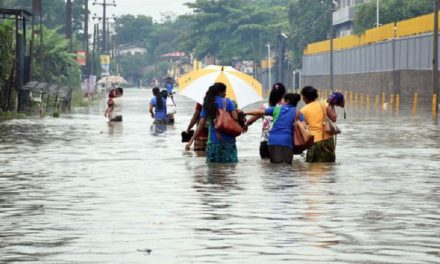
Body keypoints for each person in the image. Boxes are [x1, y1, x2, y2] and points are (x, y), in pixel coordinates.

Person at [185, 82, 239, 163]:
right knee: (228, 172)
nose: (225, 93)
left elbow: (200, 124)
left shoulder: (207, 104)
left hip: (213, 142)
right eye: (224, 91)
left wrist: (191, 141)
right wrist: (235, 109)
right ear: (220, 92)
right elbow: (235, 118)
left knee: (213, 172)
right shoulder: (228, 102)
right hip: (229, 142)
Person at [245, 93, 304, 164]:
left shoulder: (277, 109)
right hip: (287, 141)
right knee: (286, 167)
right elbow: (304, 127)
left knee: (274, 167)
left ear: (287, 101)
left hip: (272, 141)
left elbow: (259, 112)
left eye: (283, 99)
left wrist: (245, 112)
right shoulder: (297, 112)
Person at [244, 83, 286, 159]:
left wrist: (245, 124)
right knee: (281, 167)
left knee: (266, 168)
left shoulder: (265, 106)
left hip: (265, 142)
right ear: (284, 94)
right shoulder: (285, 107)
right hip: (280, 142)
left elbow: (252, 120)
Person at [300, 86, 336, 163]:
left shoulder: (303, 110)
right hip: (328, 139)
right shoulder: (323, 104)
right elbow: (334, 118)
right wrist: (332, 105)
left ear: (305, 97)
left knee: (312, 168)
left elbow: (302, 127)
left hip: (313, 141)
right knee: (329, 166)